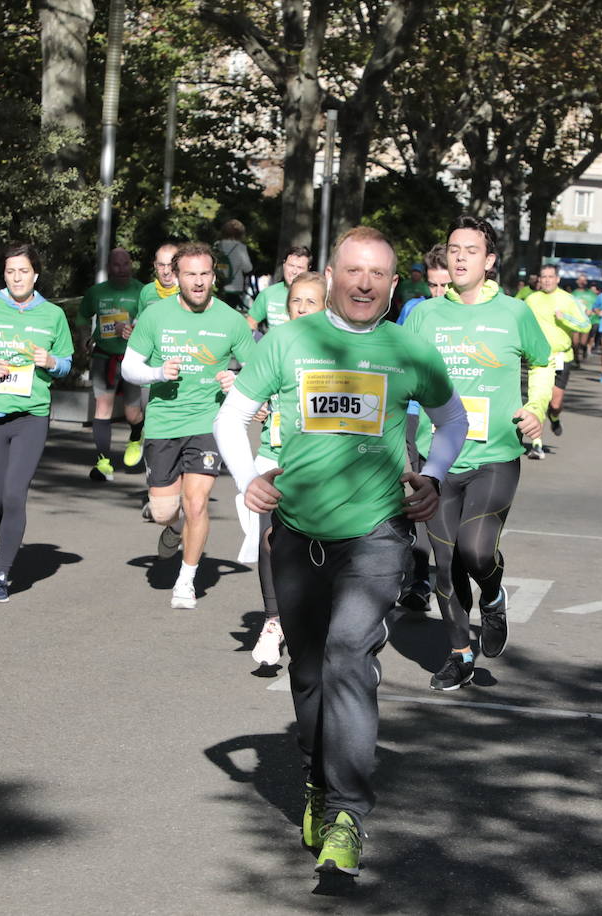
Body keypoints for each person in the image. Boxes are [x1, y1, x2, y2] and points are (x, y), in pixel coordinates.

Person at [214, 225, 467, 876]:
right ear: (331, 274)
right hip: (297, 530)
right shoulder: (291, 341)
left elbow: (453, 420)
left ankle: (350, 812)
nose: (363, 283)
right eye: (352, 271)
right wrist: (248, 481)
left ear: (391, 284)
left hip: (377, 532)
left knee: (350, 652)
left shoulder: (407, 349)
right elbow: (232, 414)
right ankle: (318, 782)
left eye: (377, 274)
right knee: (307, 669)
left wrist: (432, 476)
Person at [405, 216, 552, 689]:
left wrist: (536, 408)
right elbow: (403, 379)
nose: (461, 256)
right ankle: (460, 655)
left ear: (489, 261)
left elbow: (545, 361)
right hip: (438, 460)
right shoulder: (426, 315)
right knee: (445, 567)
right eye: (454, 248)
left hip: (495, 455)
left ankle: (492, 596)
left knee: (476, 551)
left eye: (471, 249)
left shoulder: (514, 312)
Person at [121, 241, 255, 609]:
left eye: (205, 274)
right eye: (190, 274)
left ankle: (186, 579)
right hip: (164, 422)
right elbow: (128, 367)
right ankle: (173, 526)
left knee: (197, 503)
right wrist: (157, 372)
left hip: (209, 423)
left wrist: (237, 380)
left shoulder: (230, 320)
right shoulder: (155, 316)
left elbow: (259, 371)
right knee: (166, 511)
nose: (198, 282)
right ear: (176, 277)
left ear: (214, 276)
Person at [0, 242, 74, 602]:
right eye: (11, 271)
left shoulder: (52, 315)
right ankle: (1, 516)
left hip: (32, 415)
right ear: (4, 275)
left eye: (24, 271)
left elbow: (66, 363)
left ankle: (1, 575)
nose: (17, 277)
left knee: (15, 494)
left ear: (35, 274)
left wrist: (51, 362)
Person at [249, 270, 327, 667]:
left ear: (327, 306)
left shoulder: (336, 347)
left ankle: (319, 615)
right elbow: (250, 392)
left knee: (318, 545)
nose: (300, 308)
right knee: (269, 540)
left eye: (310, 301)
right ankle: (273, 620)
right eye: (295, 301)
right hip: (273, 456)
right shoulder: (274, 344)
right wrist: (255, 403)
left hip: (320, 464)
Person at [395, 244, 451, 613]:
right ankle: (416, 580)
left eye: (444, 286)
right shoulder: (414, 310)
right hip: (413, 412)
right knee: (412, 495)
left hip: (448, 415)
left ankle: (442, 577)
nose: (438, 294)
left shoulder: (470, 318)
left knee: (442, 504)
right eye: (433, 285)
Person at [78, 247, 146, 481]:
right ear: (109, 268)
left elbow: (149, 323)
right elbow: (82, 317)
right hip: (104, 357)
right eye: (116, 265)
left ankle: (136, 437)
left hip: (132, 360)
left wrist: (135, 331)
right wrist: (86, 338)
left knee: (132, 413)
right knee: (102, 408)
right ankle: (103, 462)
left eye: (125, 264)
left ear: (131, 265)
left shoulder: (141, 292)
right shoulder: (97, 292)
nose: (121, 269)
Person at [523, 263, 590, 457]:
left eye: (550, 276)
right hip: (538, 357)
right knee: (538, 399)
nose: (546, 280)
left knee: (554, 403)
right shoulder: (531, 299)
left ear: (557, 279)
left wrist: (565, 318)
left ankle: (554, 417)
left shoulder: (568, 299)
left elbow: (585, 325)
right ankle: (536, 444)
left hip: (561, 356)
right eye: (543, 276)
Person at [247, 246, 313, 332]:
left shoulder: (316, 296)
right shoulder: (268, 294)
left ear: (308, 269)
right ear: (284, 265)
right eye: (291, 265)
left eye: (300, 267)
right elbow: (250, 323)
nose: (294, 271)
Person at [214, 219, 253, 314]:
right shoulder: (240, 247)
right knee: (230, 312)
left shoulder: (217, 245)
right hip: (234, 286)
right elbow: (248, 268)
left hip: (218, 285)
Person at [138, 241, 180, 314]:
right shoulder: (147, 291)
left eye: (171, 265)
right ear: (155, 265)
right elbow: (139, 323)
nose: (166, 271)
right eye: (161, 265)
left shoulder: (187, 291)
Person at [569, 275, 595, 366]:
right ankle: (576, 359)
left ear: (586, 282)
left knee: (582, 343)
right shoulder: (573, 294)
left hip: (586, 321)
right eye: (580, 280)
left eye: (584, 280)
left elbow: (595, 306)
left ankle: (584, 349)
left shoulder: (591, 294)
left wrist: (591, 311)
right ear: (577, 282)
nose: (582, 282)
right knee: (575, 343)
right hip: (575, 321)